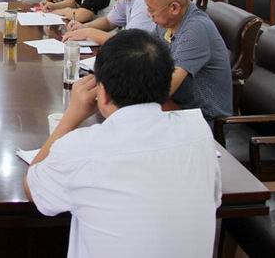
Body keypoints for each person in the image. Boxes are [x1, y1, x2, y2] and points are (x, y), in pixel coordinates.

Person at [24, 29, 221, 258]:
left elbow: (32, 186)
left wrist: (72, 115)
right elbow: (212, 199)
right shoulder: (199, 132)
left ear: (103, 94)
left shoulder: (80, 149)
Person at [143, 0, 233, 122]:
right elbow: (143, 49)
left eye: (151, 10)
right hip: (181, 106)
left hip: (206, 120)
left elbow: (166, 88)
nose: (149, 15)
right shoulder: (167, 22)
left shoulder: (196, 29)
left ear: (174, 8)